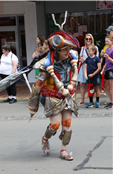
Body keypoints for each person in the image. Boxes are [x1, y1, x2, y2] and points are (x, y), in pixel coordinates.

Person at [28, 28, 80, 161]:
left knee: (67, 125)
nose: (68, 52)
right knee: (55, 125)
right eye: (64, 49)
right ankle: (45, 138)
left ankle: (64, 150)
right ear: (57, 50)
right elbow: (38, 84)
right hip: (53, 96)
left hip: (68, 95)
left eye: (69, 48)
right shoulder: (47, 64)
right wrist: (34, 102)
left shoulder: (72, 60)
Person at [77, 33, 98, 105]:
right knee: (82, 84)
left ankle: (93, 100)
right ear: (85, 40)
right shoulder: (83, 48)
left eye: (90, 39)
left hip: (92, 69)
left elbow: (95, 59)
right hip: (83, 68)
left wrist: (85, 59)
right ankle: (82, 100)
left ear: (92, 39)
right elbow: (80, 58)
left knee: (93, 85)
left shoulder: (95, 48)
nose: (88, 40)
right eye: (87, 39)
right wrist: (81, 59)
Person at [101, 35, 113, 109]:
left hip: (112, 69)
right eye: (105, 41)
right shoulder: (106, 49)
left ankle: (112, 102)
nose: (106, 42)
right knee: (108, 87)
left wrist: (108, 57)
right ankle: (111, 101)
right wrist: (104, 68)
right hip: (107, 69)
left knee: (111, 87)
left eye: (107, 41)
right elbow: (106, 61)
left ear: (112, 41)